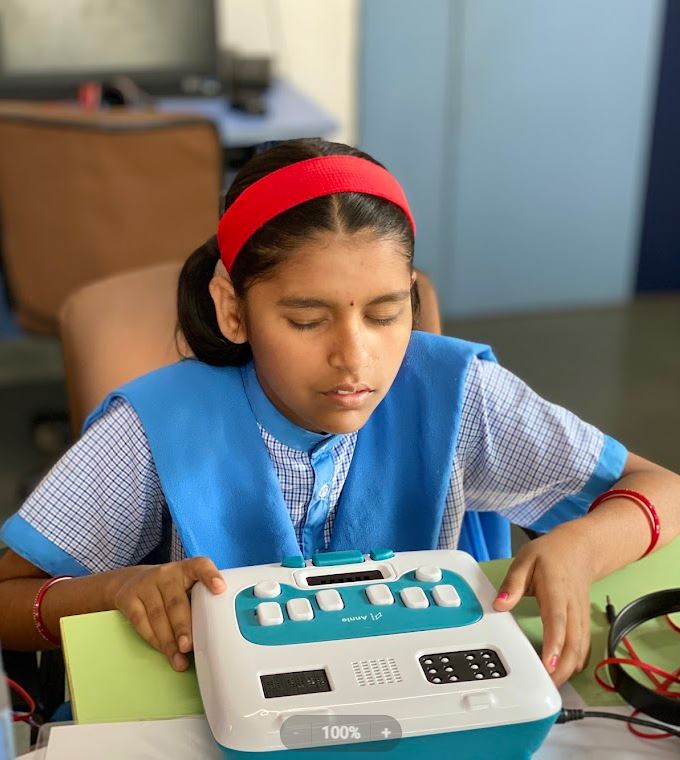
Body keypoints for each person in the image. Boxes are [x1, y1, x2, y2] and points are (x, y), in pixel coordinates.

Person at [0, 139, 679, 691]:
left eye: (386, 314)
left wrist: (581, 546)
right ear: (233, 309)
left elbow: (663, 489)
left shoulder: (459, 393)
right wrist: (114, 589)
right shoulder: (158, 427)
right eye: (305, 320)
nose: (354, 359)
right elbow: (7, 597)